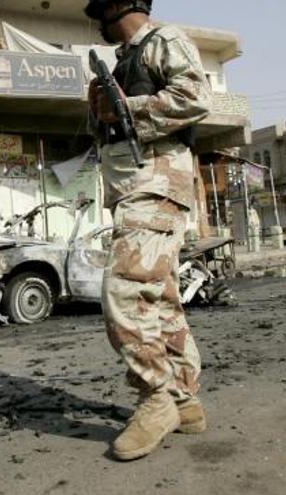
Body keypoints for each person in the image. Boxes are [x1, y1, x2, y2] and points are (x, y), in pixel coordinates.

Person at [85, 0, 212, 461]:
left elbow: (196, 97)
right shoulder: (125, 59)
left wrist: (126, 108)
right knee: (159, 298)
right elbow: (114, 128)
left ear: (116, 8)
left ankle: (155, 398)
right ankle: (183, 399)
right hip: (136, 188)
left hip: (154, 183)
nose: (95, 22)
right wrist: (102, 108)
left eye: (98, 12)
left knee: (125, 291)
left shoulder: (164, 40)